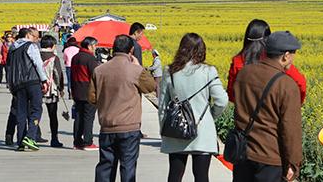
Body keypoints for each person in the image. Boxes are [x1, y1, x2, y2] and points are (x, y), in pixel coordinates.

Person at [232, 31, 303, 182]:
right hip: (269, 158)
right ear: (286, 55)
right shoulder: (287, 85)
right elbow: (290, 128)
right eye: (293, 54)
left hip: (242, 153)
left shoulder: (244, 73)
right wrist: (293, 162)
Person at [158, 33, 228, 182]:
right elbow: (222, 101)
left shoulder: (169, 71)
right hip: (202, 132)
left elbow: (163, 106)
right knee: (202, 177)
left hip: (176, 131)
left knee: (174, 176)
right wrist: (209, 117)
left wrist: (164, 129)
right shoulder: (208, 71)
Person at [89, 34, 156, 182]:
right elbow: (151, 87)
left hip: (107, 126)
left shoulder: (99, 70)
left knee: (106, 167)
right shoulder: (136, 71)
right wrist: (138, 66)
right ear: (131, 50)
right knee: (128, 167)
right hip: (129, 128)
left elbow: (92, 98)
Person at [227, 19, 306, 105]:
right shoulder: (275, 59)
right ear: (268, 38)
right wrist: (294, 103)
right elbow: (301, 84)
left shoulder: (237, 61)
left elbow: (231, 93)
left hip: (245, 113)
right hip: (273, 110)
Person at [7, 27, 50, 152]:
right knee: (36, 108)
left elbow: (9, 68)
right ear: (28, 35)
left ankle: (20, 141)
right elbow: (37, 63)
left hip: (18, 84)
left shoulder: (12, 48)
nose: (35, 39)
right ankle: (30, 136)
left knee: (21, 112)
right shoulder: (30, 46)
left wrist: (11, 85)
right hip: (32, 81)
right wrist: (44, 80)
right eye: (34, 36)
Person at [71, 36, 99, 150]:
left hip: (77, 90)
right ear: (89, 46)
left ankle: (77, 142)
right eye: (94, 45)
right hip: (88, 91)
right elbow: (95, 75)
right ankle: (88, 142)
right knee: (88, 117)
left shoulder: (75, 57)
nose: (95, 48)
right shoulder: (90, 58)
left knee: (78, 117)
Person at [40, 34, 65, 148]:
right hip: (51, 90)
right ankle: (54, 139)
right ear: (52, 45)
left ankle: (34, 135)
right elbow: (57, 73)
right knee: (52, 115)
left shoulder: (36, 55)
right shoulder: (54, 58)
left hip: (37, 88)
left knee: (35, 113)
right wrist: (60, 88)